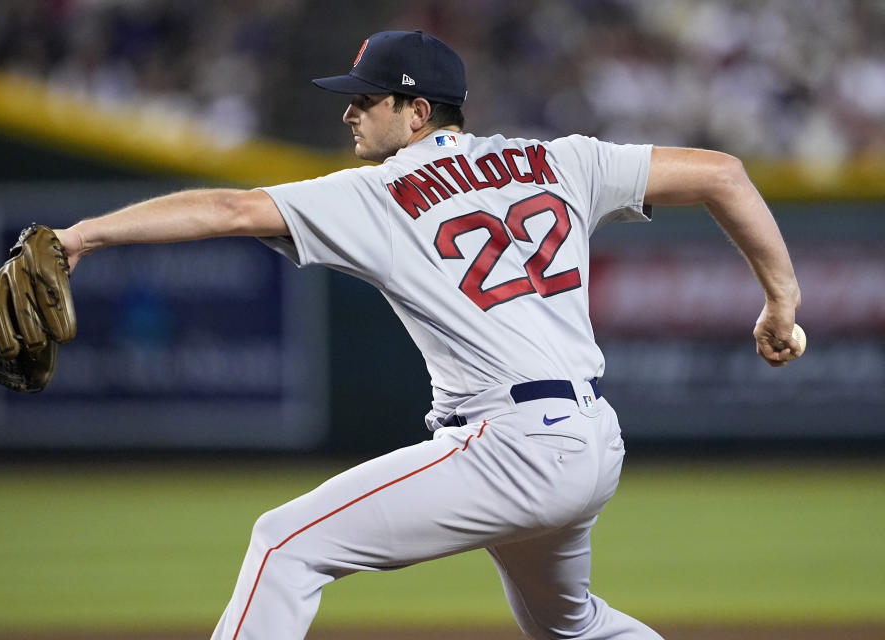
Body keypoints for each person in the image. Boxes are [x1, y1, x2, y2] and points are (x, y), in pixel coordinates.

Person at [52, 30, 802, 640]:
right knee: (569, 628)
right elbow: (724, 173)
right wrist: (781, 303)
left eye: (367, 100)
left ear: (417, 114)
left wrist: (83, 236)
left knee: (284, 546)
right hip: (590, 438)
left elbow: (229, 211)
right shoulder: (562, 159)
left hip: (513, 444)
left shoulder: (379, 191)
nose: (350, 113)